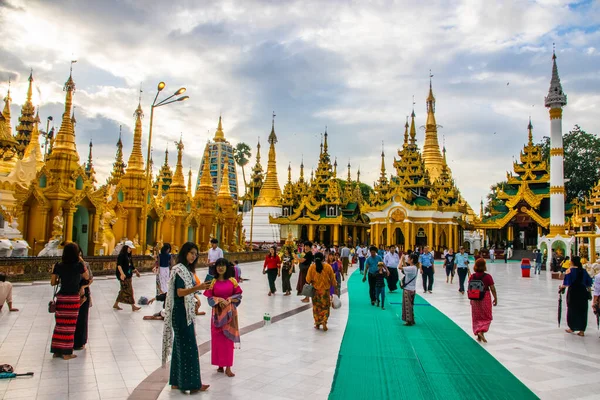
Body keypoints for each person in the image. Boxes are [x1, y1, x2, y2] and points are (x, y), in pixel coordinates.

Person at [162, 242, 210, 393]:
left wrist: (195, 297)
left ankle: (176, 381)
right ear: (185, 253)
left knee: (180, 345)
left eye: (196, 254)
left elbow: (186, 293)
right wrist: (198, 288)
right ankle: (192, 384)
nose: (193, 256)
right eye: (191, 253)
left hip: (184, 311)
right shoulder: (179, 270)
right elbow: (180, 292)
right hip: (181, 313)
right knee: (189, 348)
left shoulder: (186, 270)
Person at [204, 258, 243, 377]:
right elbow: (209, 298)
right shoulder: (213, 281)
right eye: (218, 266)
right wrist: (218, 300)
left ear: (227, 267)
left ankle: (228, 367)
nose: (220, 268)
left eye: (223, 265)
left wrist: (230, 300)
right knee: (218, 340)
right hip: (217, 315)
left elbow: (239, 295)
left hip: (230, 314)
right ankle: (220, 364)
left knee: (228, 340)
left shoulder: (232, 281)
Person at [50, 242, 89, 360]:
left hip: (61, 297)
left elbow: (53, 282)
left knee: (60, 325)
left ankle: (57, 351)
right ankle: (67, 352)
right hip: (72, 298)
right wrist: (81, 260)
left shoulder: (58, 265)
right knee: (70, 326)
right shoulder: (79, 266)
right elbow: (87, 277)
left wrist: (62, 280)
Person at [560, 256, 593, 337]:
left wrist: (561, 287)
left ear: (572, 262)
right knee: (582, 310)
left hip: (573, 293)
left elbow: (566, 283)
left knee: (572, 310)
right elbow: (588, 283)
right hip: (582, 292)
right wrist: (589, 293)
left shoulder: (570, 270)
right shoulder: (584, 271)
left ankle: (572, 327)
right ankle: (582, 330)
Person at [469, 258, 498, 343]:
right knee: (486, 316)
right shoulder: (487, 276)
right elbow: (492, 288)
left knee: (476, 317)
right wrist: (495, 298)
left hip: (474, 298)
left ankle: (478, 334)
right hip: (485, 297)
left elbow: (470, 287)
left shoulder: (472, 276)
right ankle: (482, 331)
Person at [306, 252, 337, 331]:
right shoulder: (328, 267)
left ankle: (317, 324)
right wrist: (335, 286)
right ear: (323, 258)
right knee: (325, 307)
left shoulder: (312, 267)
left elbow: (307, 279)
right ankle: (324, 321)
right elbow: (333, 280)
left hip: (315, 292)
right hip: (325, 292)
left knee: (316, 308)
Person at [113, 241, 141, 311]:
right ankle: (133, 306)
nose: (130, 250)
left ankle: (116, 304)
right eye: (129, 248)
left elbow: (131, 265)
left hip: (128, 275)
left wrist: (136, 271)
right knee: (129, 291)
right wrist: (122, 274)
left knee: (123, 290)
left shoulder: (128, 256)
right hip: (124, 276)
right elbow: (119, 265)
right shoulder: (121, 255)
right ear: (126, 247)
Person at [74, 249, 93, 350]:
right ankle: (70, 342)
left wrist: (83, 288)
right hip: (72, 294)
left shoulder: (84, 264)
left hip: (83, 294)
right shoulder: (67, 265)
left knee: (82, 317)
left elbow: (90, 279)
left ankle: (80, 342)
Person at [399, 253, 419, 325]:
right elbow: (405, 270)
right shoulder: (414, 268)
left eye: (409, 258)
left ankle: (409, 320)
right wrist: (404, 261)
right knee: (410, 305)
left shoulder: (411, 268)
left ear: (412, 260)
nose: (408, 259)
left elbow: (399, 267)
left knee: (407, 305)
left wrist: (401, 259)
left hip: (408, 289)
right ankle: (411, 319)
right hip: (412, 289)